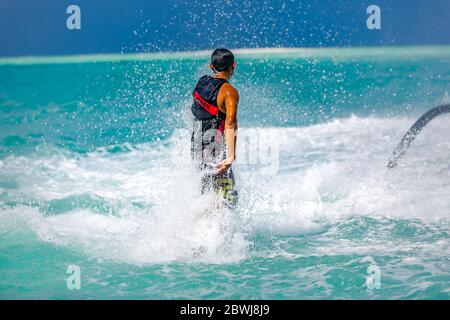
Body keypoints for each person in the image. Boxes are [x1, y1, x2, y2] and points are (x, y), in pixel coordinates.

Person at [191, 48, 239, 208]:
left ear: (212, 66)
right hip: (215, 148)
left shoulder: (201, 83)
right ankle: (220, 232)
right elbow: (230, 123)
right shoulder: (229, 92)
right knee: (229, 199)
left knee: (205, 193)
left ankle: (199, 230)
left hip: (197, 146)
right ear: (233, 65)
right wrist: (230, 157)